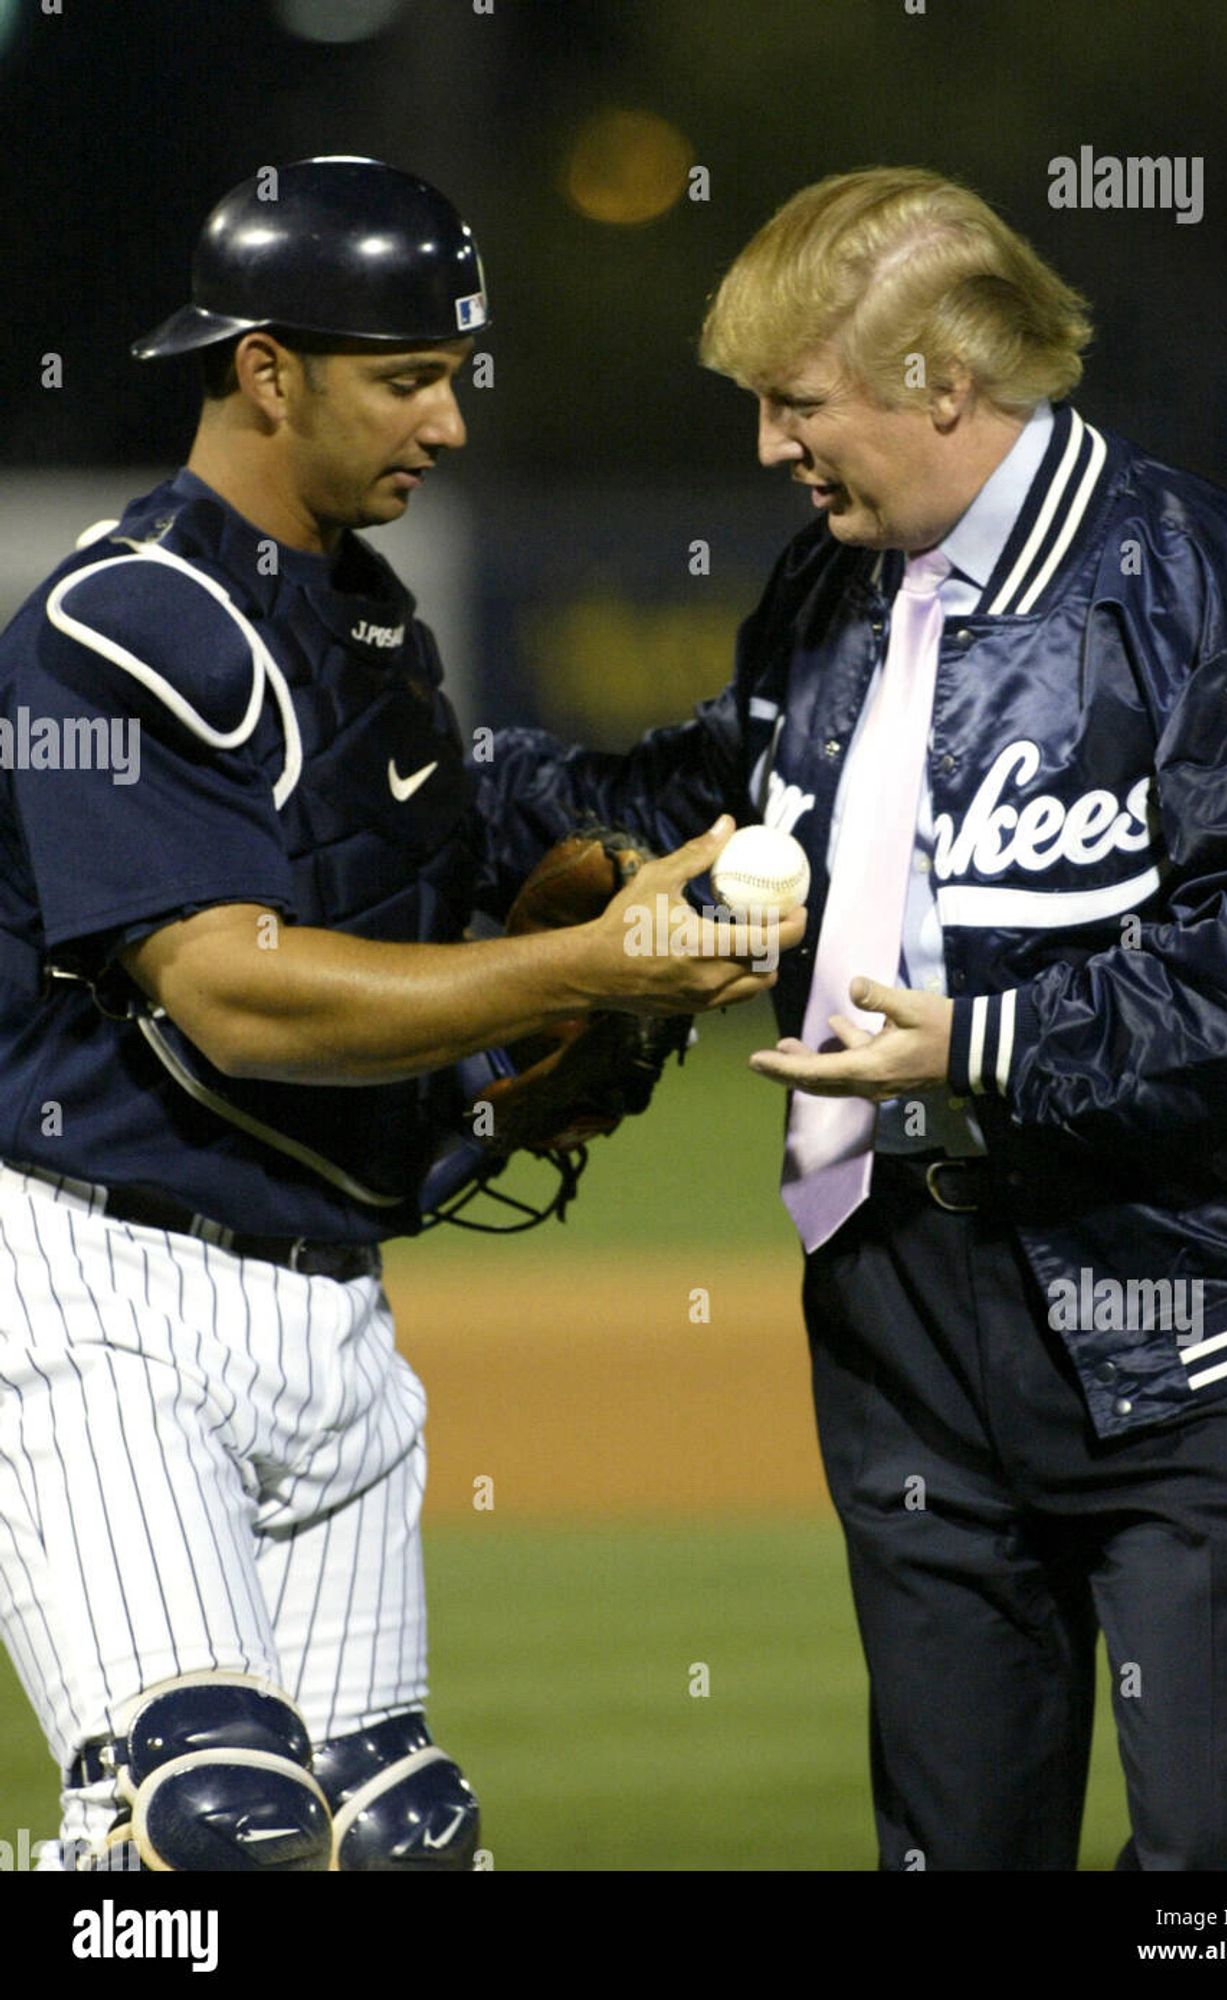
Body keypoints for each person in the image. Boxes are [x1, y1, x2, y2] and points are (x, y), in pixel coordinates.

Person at [516, 167, 1227, 1869]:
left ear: (943, 381)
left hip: (1199, 1314)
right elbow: (710, 782)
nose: (771, 447)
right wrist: (460, 789)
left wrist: (992, 1048)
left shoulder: (1219, 599)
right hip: (907, 1312)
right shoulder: (836, 585)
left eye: (797, 402)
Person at [0, 155, 799, 1874]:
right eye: (406, 376)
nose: (446, 419)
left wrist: (638, 896)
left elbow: (444, 873)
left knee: (397, 1842)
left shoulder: (367, 624)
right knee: (200, 1830)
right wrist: (593, 968)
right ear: (266, 370)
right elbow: (233, 997)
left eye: (452, 373)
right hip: (107, 1312)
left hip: (334, 1316)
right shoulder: (122, 625)